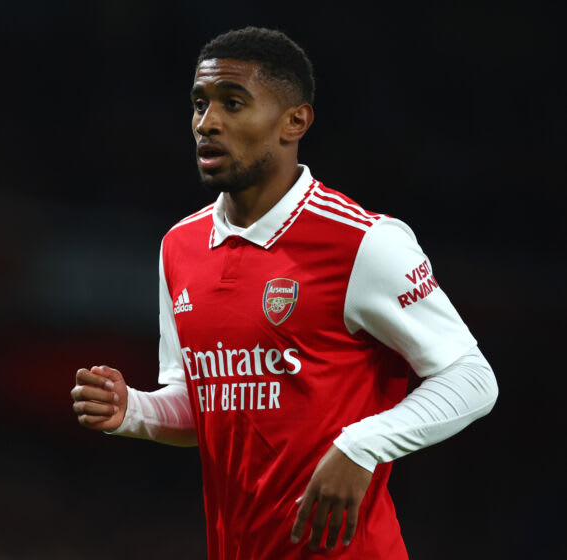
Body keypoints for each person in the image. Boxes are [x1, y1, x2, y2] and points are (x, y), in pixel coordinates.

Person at [70, 26, 497, 559]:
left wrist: (361, 446)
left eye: (233, 103)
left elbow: (472, 377)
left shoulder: (364, 243)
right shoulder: (178, 246)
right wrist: (133, 409)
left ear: (294, 121)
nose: (208, 123)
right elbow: (208, 403)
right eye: (199, 104)